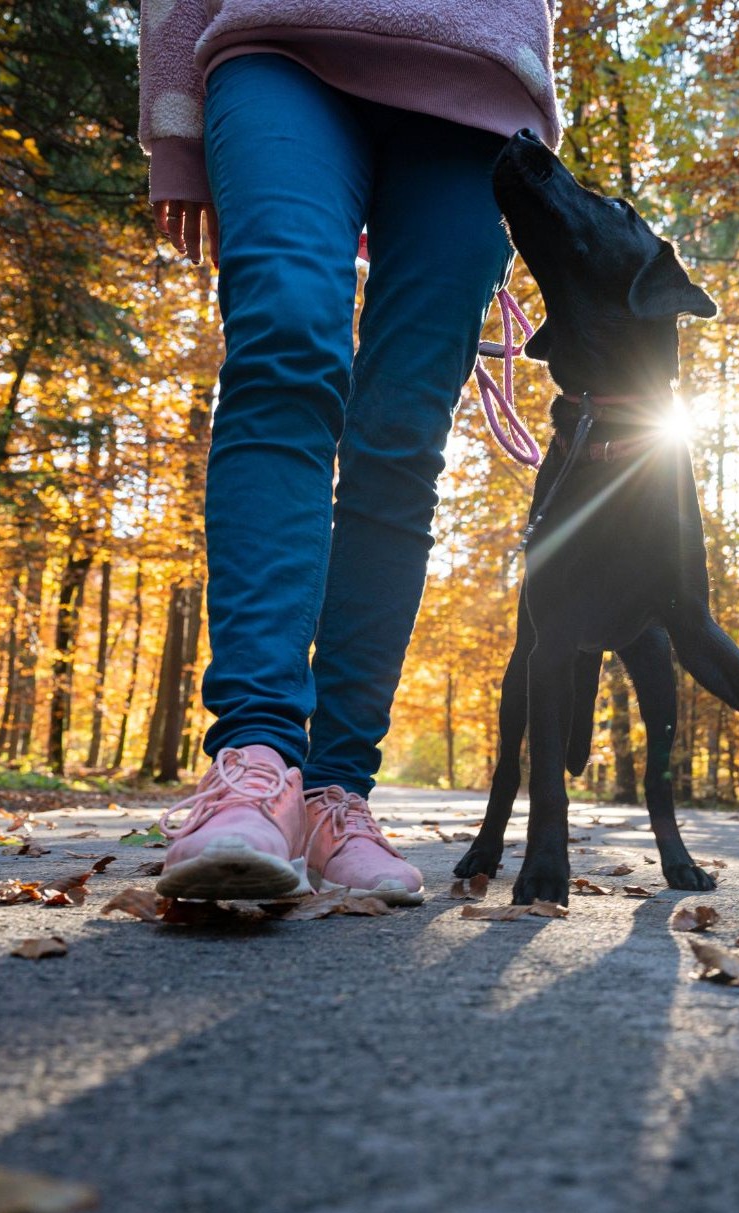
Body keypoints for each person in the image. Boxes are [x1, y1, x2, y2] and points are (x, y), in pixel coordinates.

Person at [137, 1, 560, 904]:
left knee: (404, 432)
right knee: (285, 338)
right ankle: (254, 763)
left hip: (480, 85)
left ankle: (336, 793)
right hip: (277, 46)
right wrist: (174, 127)